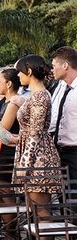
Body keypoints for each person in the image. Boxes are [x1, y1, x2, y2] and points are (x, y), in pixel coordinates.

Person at [13, 55, 62, 240]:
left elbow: (35, 132)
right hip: (30, 152)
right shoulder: (33, 95)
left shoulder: (41, 96)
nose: (18, 75)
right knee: (34, 210)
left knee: (42, 211)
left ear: (30, 72)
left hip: (39, 157)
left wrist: (25, 163)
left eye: (20, 71)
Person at [0, 67, 24, 240]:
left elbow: (2, 129)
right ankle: (8, 231)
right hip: (1, 151)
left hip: (9, 152)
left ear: (9, 84)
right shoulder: (6, 100)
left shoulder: (15, 101)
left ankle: (12, 234)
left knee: (4, 192)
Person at [50, 46, 77, 182]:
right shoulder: (63, 88)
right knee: (64, 198)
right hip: (61, 151)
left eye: (54, 65)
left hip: (74, 152)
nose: (52, 69)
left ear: (65, 65)